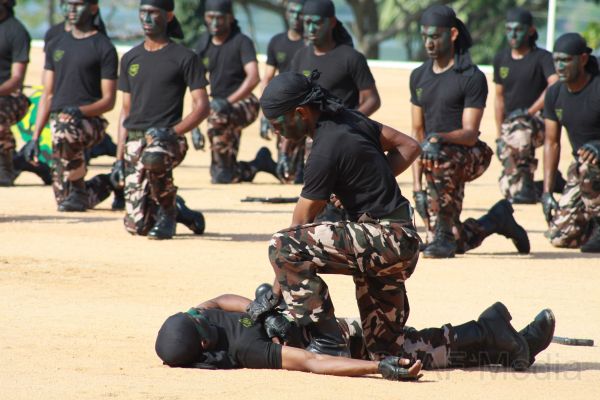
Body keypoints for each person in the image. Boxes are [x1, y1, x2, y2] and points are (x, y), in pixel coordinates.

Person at [155, 289, 555, 374]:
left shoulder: (203, 320)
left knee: (420, 346)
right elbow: (310, 362)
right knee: (419, 349)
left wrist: (259, 308)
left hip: (338, 333)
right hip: (348, 346)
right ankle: (498, 335)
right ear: (203, 342)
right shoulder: (247, 349)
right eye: (196, 319)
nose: (198, 313)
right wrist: (376, 368)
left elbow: (218, 300)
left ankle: (496, 334)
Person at [410, 5, 530, 259]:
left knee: (437, 151)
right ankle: (496, 220)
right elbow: (417, 132)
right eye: (425, 36)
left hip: (470, 155)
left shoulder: (471, 76)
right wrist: (417, 188)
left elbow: (470, 133)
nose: (429, 43)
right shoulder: (418, 76)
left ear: (452, 34)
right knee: (456, 238)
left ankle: (443, 236)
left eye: (435, 36)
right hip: (432, 158)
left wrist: (438, 138)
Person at [112, 0, 209, 240]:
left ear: (168, 16)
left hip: (167, 140)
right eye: (143, 12)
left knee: (154, 156)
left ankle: (168, 214)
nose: (146, 19)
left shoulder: (185, 57)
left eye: (153, 13)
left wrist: (172, 132)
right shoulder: (130, 58)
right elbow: (126, 111)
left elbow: (202, 107)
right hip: (135, 142)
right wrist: (119, 158)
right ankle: (180, 209)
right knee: (138, 226)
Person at [26, 0, 120, 212]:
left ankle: (78, 188)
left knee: (64, 128)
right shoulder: (56, 43)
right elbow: (48, 94)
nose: (71, 9)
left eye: (78, 4)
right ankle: (110, 182)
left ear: (93, 8)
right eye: (68, 4)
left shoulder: (104, 47)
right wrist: (35, 137)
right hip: (59, 127)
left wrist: (78, 111)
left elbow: (109, 101)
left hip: (89, 122)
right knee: (65, 201)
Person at [195, 0, 276, 184]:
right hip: (218, 108)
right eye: (210, 17)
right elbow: (196, 84)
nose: (214, 22)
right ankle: (259, 163)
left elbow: (253, 77)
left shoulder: (242, 41)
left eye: (219, 18)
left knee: (217, 113)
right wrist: (195, 125)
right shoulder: (204, 44)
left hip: (244, 103)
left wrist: (227, 102)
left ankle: (229, 168)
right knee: (221, 176)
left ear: (230, 18)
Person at [541, 33, 600, 253]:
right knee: (560, 236)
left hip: (591, 166)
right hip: (583, 169)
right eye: (556, 60)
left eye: (565, 60)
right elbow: (551, 143)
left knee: (588, 165)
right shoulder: (554, 93)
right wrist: (547, 192)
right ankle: (592, 224)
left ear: (583, 59)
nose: (559, 66)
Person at [493, 7, 558, 203]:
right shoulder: (501, 58)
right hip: (511, 126)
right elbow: (499, 97)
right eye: (509, 29)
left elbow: (554, 84)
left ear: (530, 31)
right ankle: (542, 184)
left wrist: (529, 112)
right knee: (509, 190)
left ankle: (528, 185)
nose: (513, 34)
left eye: (518, 29)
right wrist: (499, 135)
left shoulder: (543, 58)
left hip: (539, 122)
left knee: (521, 130)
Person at [260, 0, 306, 183]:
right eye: (292, 12)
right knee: (288, 176)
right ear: (286, 14)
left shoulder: (310, 44)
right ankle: (264, 161)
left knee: (302, 177)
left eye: (300, 13)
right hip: (282, 107)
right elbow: (267, 78)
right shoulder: (276, 42)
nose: (296, 17)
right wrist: (264, 114)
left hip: (305, 105)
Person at [0, 0, 32, 186]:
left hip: (11, 98)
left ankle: (5, 166)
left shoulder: (16, 32)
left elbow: (17, 79)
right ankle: (22, 161)